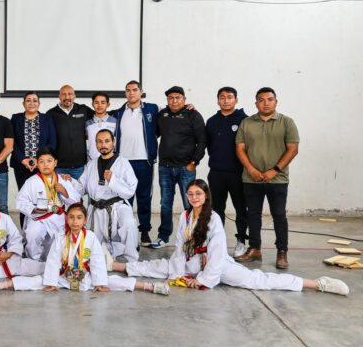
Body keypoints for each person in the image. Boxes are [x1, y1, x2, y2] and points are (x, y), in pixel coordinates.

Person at [111, 179, 348, 296]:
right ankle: (113, 265)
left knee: (258, 280)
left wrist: (203, 280)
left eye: (198, 194)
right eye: (190, 194)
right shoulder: (184, 216)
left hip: (216, 266)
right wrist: (178, 273)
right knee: (157, 266)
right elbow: (181, 247)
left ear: (206, 196)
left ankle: (317, 283)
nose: (194, 198)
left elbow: (216, 253)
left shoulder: (213, 218)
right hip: (189, 262)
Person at [0, 203, 169, 295]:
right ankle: (1, 285)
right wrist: (51, 281)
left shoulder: (91, 237)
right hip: (63, 277)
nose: (74, 221)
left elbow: (97, 261)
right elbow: (53, 260)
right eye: (71, 217)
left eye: (79, 218)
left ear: (84, 220)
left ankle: (150, 286)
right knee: (37, 281)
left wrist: (99, 282)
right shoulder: (60, 237)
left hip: (86, 277)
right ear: (67, 219)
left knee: (113, 281)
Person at [235, 87, 300, 269]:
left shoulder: (287, 122)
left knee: (279, 215)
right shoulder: (246, 123)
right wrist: (251, 169)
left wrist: (275, 170)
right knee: (253, 214)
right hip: (251, 179)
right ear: (256, 103)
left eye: (269, 99)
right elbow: (240, 148)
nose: (266, 103)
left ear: (276, 101)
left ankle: (282, 252)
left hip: (278, 179)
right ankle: (255, 248)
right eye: (261, 100)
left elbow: (293, 149)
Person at [67, 129, 139, 263]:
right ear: (95, 144)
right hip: (95, 209)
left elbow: (130, 190)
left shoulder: (123, 163)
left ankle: (131, 260)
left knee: (129, 224)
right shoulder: (91, 164)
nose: (103, 145)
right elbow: (81, 188)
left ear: (113, 142)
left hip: (117, 206)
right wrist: (70, 181)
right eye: (99, 142)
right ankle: (101, 254)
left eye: (107, 141)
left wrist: (113, 180)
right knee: (89, 251)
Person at [153, 86, 206, 249]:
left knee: (190, 203)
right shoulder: (162, 115)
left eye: (178, 98)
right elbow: (154, 133)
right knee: (165, 204)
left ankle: (192, 237)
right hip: (165, 168)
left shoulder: (193, 115)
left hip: (185, 168)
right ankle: (163, 236)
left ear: (184, 99)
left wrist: (194, 162)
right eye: (171, 98)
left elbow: (202, 141)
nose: (174, 101)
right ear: (167, 100)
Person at [113, 80, 160, 247]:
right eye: (128, 90)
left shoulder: (152, 109)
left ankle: (144, 232)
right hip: (123, 162)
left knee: (144, 197)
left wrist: (189, 107)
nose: (131, 93)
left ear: (141, 91)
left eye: (134, 90)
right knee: (124, 198)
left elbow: (170, 114)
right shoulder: (118, 113)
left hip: (144, 161)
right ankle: (123, 233)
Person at [205, 87, 249, 257]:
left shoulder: (244, 120)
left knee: (241, 208)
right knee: (216, 209)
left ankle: (241, 241)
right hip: (216, 172)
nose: (225, 100)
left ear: (236, 100)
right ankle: (217, 242)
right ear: (218, 100)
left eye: (229, 97)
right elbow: (209, 145)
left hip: (238, 173)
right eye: (222, 97)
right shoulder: (211, 121)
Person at [16, 148, 81, 261]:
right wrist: (34, 210)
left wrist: (64, 192)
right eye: (41, 161)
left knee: (62, 239)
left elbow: (76, 202)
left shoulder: (63, 180)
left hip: (58, 216)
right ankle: (34, 260)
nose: (45, 164)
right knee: (33, 232)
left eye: (49, 161)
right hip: (38, 217)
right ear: (37, 164)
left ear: (55, 163)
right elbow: (20, 201)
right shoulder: (31, 181)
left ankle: (58, 261)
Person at [10, 91, 57, 227]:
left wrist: (39, 160)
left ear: (39, 103)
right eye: (28, 100)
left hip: (43, 166)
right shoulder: (16, 118)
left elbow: (52, 142)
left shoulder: (47, 119)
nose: (32, 103)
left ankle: (45, 228)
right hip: (21, 166)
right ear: (23, 103)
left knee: (44, 198)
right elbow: (12, 142)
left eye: (35, 100)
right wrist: (23, 159)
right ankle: (26, 231)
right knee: (25, 199)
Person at [46, 84, 93, 179]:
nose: (67, 97)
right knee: (59, 189)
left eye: (70, 94)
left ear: (74, 96)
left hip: (79, 167)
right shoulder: (50, 114)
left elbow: (99, 114)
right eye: (63, 94)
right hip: (59, 167)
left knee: (79, 189)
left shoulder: (83, 110)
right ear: (59, 96)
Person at [85, 92, 116, 161]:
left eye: (103, 102)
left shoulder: (115, 122)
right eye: (96, 102)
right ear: (92, 104)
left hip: (111, 161)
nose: (99, 105)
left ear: (108, 104)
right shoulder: (87, 123)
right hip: (91, 161)